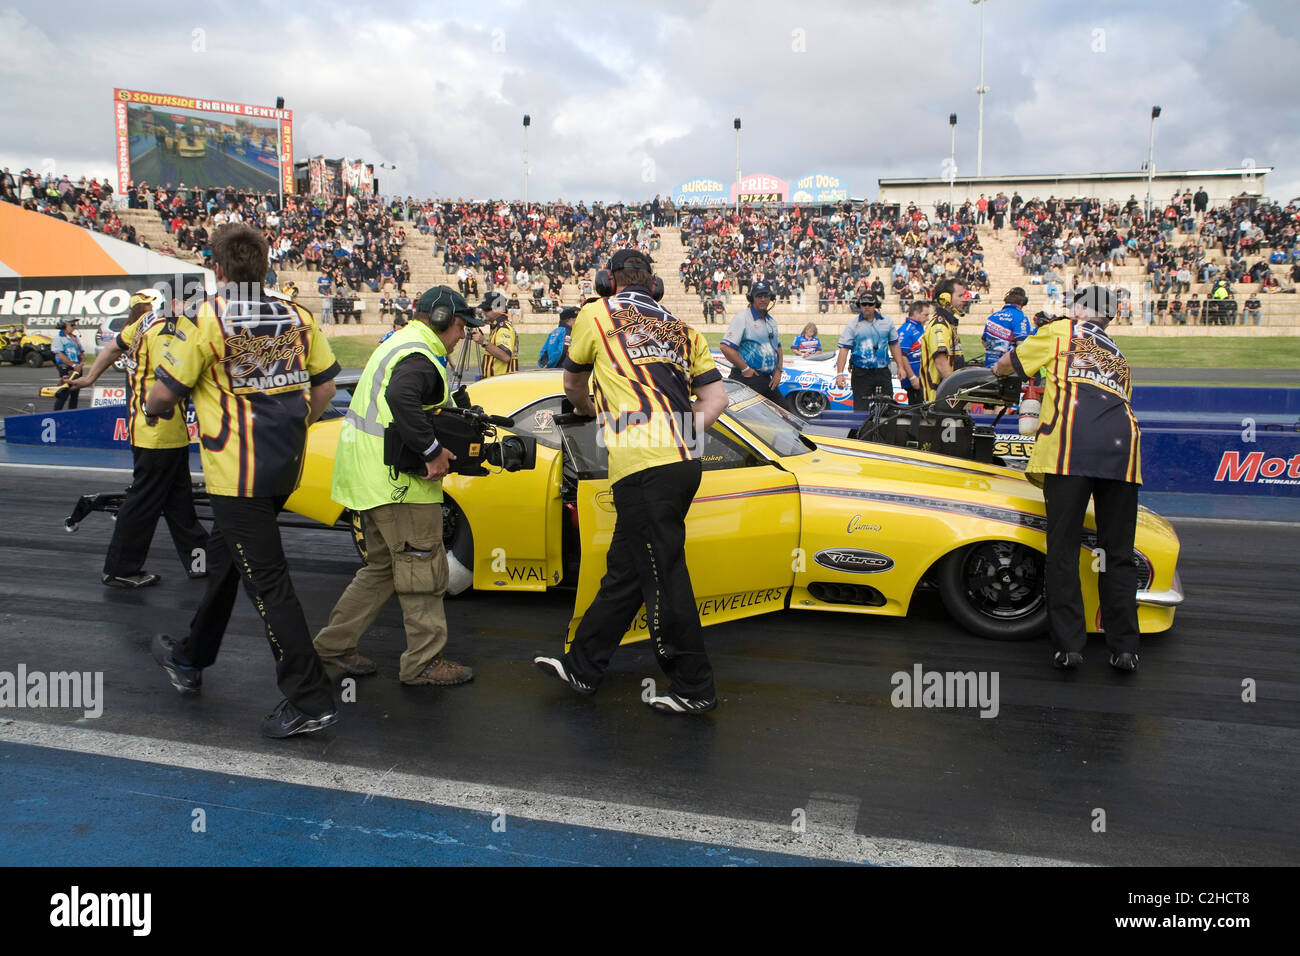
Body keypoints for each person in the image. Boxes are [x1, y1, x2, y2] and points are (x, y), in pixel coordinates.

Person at [143, 223, 342, 739]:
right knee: (228, 563)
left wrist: (155, 402)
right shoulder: (297, 315)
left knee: (269, 584)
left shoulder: (206, 317)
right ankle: (190, 656)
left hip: (237, 476)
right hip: (284, 469)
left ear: (218, 268)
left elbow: (162, 398)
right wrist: (297, 425)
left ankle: (311, 699)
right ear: (263, 263)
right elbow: (325, 385)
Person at [534, 249, 729, 714]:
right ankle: (583, 665)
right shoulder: (681, 328)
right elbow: (717, 397)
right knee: (626, 572)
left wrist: (584, 411)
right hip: (682, 460)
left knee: (663, 577)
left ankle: (694, 687)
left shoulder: (595, 314)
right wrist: (677, 431)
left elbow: (573, 384)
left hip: (641, 466)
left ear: (608, 281)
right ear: (654, 285)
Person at [313, 286, 484, 687]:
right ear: (442, 318)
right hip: (399, 487)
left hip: (369, 480)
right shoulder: (420, 355)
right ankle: (423, 664)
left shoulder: (402, 342)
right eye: (460, 326)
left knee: (381, 570)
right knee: (422, 571)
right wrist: (432, 451)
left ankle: (333, 647)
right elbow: (403, 398)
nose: (462, 336)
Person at [992, 285, 1143, 673]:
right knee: (1117, 554)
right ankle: (1124, 648)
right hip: (1123, 456)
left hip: (1070, 453)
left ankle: (1069, 647)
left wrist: (997, 369)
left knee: (1063, 550)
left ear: (1078, 310)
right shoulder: (1118, 355)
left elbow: (1008, 364)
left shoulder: (1061, 331)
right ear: (1109, 319)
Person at [69, 291, 208, 589]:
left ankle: (202, 562)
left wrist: (91, 377)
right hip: (160, 430)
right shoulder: (174, 331)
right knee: (143, 503)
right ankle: (120, 568)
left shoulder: (145, 321)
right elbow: (170, 382)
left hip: (148, 429)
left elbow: (111, 348)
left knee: (179, 504)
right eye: (194, 303)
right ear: (178, 303)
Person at [834, 292, 918, 406]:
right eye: (864, 304)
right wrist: (839, 374)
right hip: (861, 372)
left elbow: (894, 345)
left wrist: (900, 367)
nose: (867, 307)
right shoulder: (852, 325)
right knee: (861, 408)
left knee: (887, 407)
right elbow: (844, 350)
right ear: (859, 305)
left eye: (870, 304)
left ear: (876, 305)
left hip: (882, 371)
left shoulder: (887, 322)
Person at [720, 280, 783, 403]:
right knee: (745, 419)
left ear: (771, 298)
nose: (763, 299)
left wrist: (778, 371)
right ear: (751, 299)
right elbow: (725, 347)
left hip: (767, 379)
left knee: (785, 414)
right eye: (759, 296)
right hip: (747, 377)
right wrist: (745, 369)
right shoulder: (742, 318)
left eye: (766, 296)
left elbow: (778, 348)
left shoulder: (771, 321)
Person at [919, 278, 967, 402]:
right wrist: (959, 395)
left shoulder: (948, 324)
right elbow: (941, 363)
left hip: (945, 398)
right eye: (960, 295)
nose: (964, 299)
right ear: (945, 298)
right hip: (938, 399)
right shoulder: (939, 325)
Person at [982, 286, 1034, 368]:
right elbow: (1021, 344)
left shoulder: (992, 316)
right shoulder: (1021, 318)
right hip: (1009, 369)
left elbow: (984, 342)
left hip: (990, 366)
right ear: (1022, 303)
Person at [474, 289, 518, 377]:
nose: (484, 312)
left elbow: (505, 357)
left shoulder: (504, 328)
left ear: (498, 309)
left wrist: (484, 342)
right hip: (496, 382)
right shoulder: (497, 326)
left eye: (487, 309)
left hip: (501, 384)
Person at [896, 300, 928, 404]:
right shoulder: (906, 330)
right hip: (914, 379)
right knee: (917, 412)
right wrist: (912, 377)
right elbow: (901, 355)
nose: (928, 318)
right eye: (925, 315)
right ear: (916, 314)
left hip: (923, 377)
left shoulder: (920, 328)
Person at [52, 318, 84, 410]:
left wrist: (81, 363)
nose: (74, 327)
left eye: (74, 325)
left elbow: (81, 352)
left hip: (77, 368)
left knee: (75, 393)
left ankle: (72, 413)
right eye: (72, 325)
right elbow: (60, 355)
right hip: (66, 368)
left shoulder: (75, 338)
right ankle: (57, 414)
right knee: (64, 392)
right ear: (63, 326)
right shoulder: (59, 338)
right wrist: (74, 365)